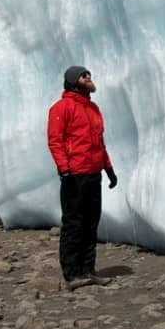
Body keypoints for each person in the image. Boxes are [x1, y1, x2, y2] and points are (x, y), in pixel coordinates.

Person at [46, 65, 118, 289]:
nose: (89, 77)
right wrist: (64, 169)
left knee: (90, 222)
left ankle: (88, 270)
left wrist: (108, 169)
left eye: (89, 75)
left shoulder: (93, 108)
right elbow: (55, 140)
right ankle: (72, 274)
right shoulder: (61, 108)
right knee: (73, 223)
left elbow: (99, 143)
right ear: (72, 81)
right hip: (74, 175)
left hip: (93, 173)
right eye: (83, 75)